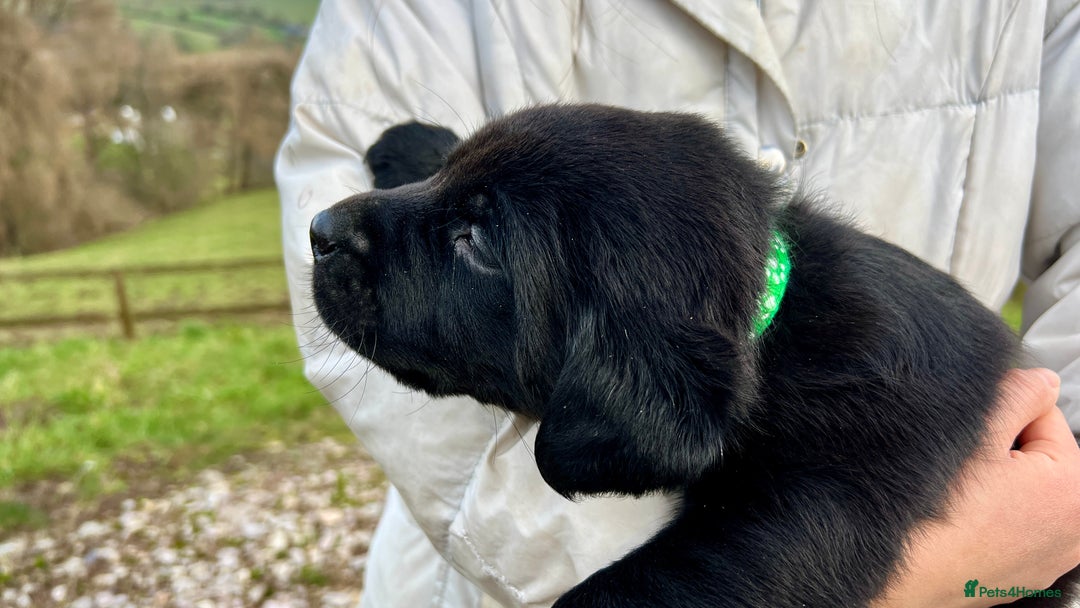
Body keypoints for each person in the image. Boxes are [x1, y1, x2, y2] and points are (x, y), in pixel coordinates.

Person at [275, 2, 1080, 606]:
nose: (336, 228)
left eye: (475, 240)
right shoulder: (728, 266)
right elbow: (581, 203)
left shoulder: (849, 429)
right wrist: (455, 189)